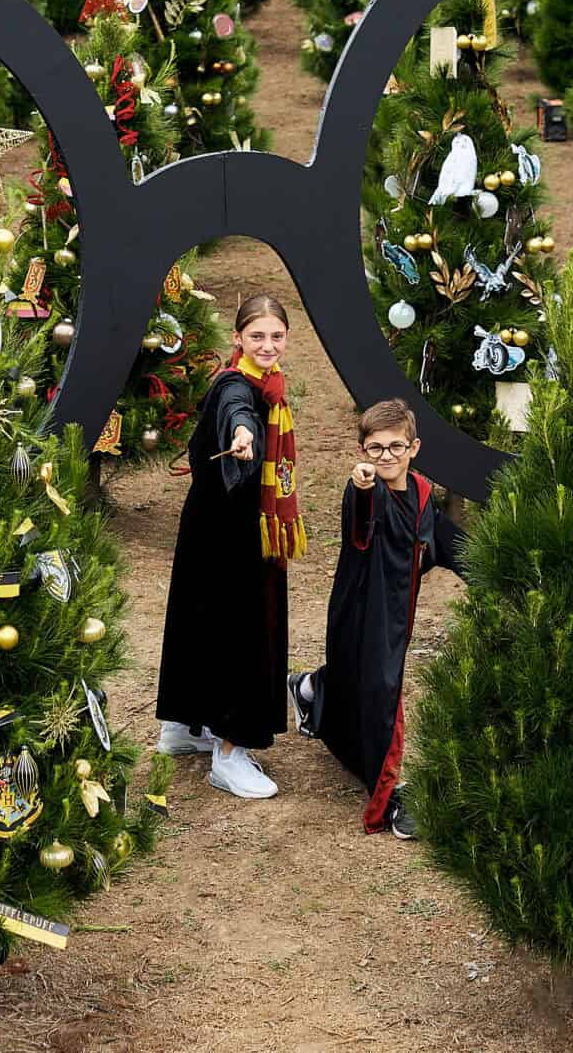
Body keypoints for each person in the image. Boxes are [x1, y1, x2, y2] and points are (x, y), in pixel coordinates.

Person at [287, 398, 463, 838]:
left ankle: (308, 688)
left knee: (355, 684)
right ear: (363, 451)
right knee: (380, 695)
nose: (386, 456)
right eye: (375, 448)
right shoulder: (364, 490)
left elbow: (456, 546)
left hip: (393, 615)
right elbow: (362, 524)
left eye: (396, 447)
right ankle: (389, 798)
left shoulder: (422, 495)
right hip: (358, 608)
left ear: (414, 447)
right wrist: (364, 487)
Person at [155, 293, 308, 799]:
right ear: (238, 339)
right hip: (236, 532)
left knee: (201, 616)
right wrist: (243, 433)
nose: (267, 345)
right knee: (247, 630)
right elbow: (235, 411)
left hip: (214, 525)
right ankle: (229, 753)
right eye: (257, 336)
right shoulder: (236, 389)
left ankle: (184, 726)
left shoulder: (270, 389)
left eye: (276, 336)